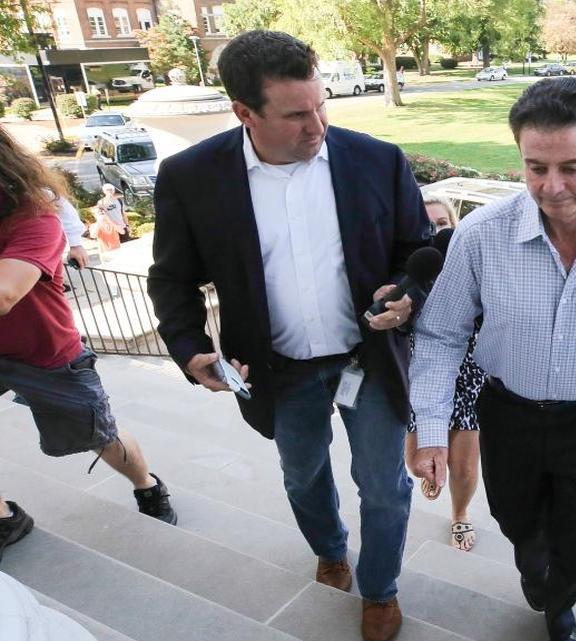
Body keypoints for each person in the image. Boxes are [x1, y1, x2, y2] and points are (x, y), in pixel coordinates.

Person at [146, 30, 429, 641]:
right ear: (244, 113)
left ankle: (380, 589)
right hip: (276, 370)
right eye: (296, 115)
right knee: (303, 476)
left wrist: (408, 294)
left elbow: (417, 251)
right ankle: (329, 549)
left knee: (384, 487)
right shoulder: (191, 176)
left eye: (321, 106)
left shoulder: (377, 160)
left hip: (369, 361)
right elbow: (171, 279)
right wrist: (191, 350)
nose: (317, 125)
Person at [410, 77, 576, 641]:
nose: (552, 187)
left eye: (571, 168)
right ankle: (535, 573)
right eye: (536, 168)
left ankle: (560, 606)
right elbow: (440, 336)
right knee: (518, 523)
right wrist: (432, 431)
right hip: (510, 413)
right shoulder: (480, 236)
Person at [0, 125, 177, 564]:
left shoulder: (35, 219)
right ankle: (5, 518)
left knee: (101, 436)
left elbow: (5, 293)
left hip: (46, 356)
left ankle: (147, 485)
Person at [405, 196, 485, 552]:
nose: (435, 231)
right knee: (415, 461)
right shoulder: (410, 271)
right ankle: (434, 469)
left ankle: (460, 513)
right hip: (422, 373)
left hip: (469, 374)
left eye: (441, 224)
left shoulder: (475, 266)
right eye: (427, 225)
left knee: (464, 467)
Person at [91, 184, 127, 254]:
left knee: (125, 248)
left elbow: (123, 213)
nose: (110, 191)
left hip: (121, 226)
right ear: (104, 191)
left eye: (111, 189)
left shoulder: (119, 200)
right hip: (110, 227)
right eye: (108, 190)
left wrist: (127, 225)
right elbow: (99, 213)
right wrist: (103, 221)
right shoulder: (101, 202)